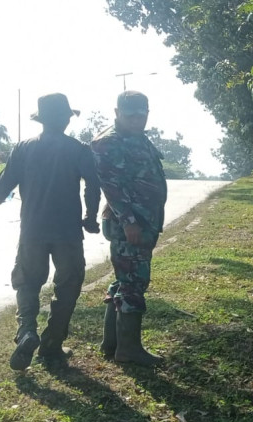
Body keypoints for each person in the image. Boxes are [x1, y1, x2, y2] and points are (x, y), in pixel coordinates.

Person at [0, 93, 101, 370]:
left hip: (32, 231)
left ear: (41, 120)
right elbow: (92, 185)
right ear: (66, 119)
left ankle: (27, 331)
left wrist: (5, 177)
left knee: (27, 282)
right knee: (68, 286)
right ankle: (52, 343)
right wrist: (90, 217)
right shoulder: (79, 150)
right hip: (68, 232)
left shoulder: (24, 148)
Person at [92, 91, 167, 366]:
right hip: (129, 224)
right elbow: (111, 186)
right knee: (134, 283)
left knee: (126, 280)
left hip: (144, 221)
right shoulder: (109, 142)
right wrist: (129, 222)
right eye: (131, 115)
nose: (138, 120)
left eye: (142, 114)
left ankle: (112, 344)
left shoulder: (137, 138)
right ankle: (128, 350)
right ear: (117, 112)